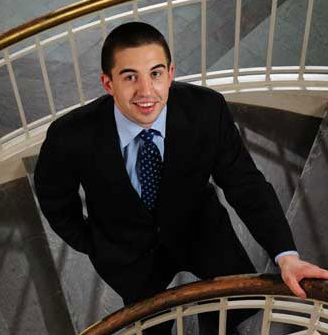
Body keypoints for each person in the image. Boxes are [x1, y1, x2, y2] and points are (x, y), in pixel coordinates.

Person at [34, 22, 328, 334]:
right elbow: (54, 195)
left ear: (171, 73)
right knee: (150, 323)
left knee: (234, 305)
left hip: (199, 231)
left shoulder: (206, 110)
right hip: (128, 254)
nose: (146, 91)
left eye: (156, 73)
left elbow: (245, 183)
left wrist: (286, 255)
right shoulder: (71, 136)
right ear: (108, 83)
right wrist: (91, 241)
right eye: (130, 76)